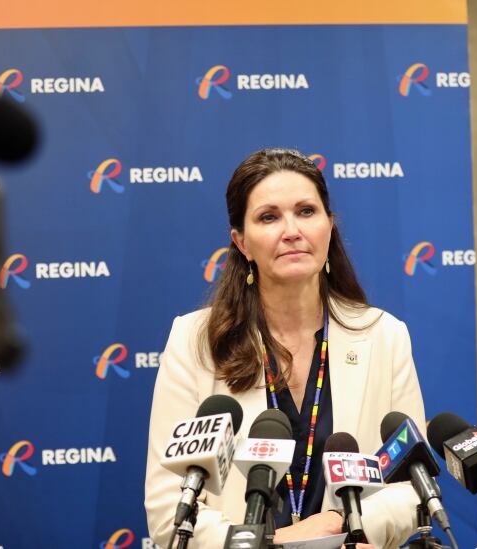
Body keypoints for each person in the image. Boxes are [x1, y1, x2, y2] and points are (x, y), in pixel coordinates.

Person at [145, 148, 425, 548]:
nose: (291, 230)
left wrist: (338, 521)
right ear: (241, 242)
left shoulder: (384, 335)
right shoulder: (195, 341)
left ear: (329, 227)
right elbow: (169, 502)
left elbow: (410, 484)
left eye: (306, 211)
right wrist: (267, 544)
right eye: (269, 216)